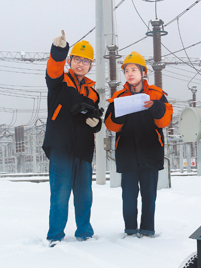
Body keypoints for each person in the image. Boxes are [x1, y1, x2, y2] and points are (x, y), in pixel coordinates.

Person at [42, 30, 102, 247]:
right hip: (61, 145)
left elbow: (95, 118)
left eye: (85, 61)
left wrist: (97, 123)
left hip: (84, 148)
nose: (81, 64)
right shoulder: (59, 82)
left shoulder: (92, 92)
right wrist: (58, 51)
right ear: (70, 61)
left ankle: (84, 231)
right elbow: (53, 68)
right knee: (60, 194)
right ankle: (55, 235)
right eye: (77, 59)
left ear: (90, 66)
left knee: (84, 195)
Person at [104, 52, 173, 236]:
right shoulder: (118, 97)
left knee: (149, 196)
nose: (130, 73)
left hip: (150, 154)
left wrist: (155, 107)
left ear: (143, 72)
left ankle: (148, 229)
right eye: (127, 70)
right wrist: (120, 110)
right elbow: (111, 125)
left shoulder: (157, 95)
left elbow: (164, 121)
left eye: (134, 69)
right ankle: (130, 230)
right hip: (127, 155)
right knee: (128, 196)